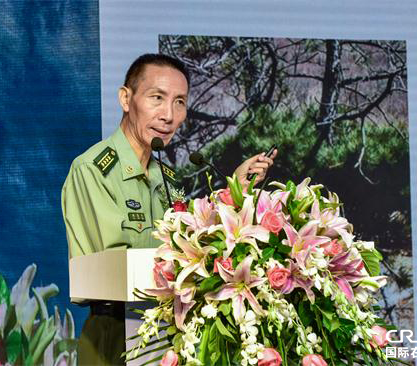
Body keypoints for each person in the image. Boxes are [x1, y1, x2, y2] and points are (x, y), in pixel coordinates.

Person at [61, 53, 277, 365]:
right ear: (126, 99)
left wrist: (235, 192)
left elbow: (190, 241)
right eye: (157, 98)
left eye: (179, 102)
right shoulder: (93, 169)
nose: (169, 115)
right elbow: (119, 261)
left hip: (168, 336)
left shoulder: (167, 178)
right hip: (115, 333)